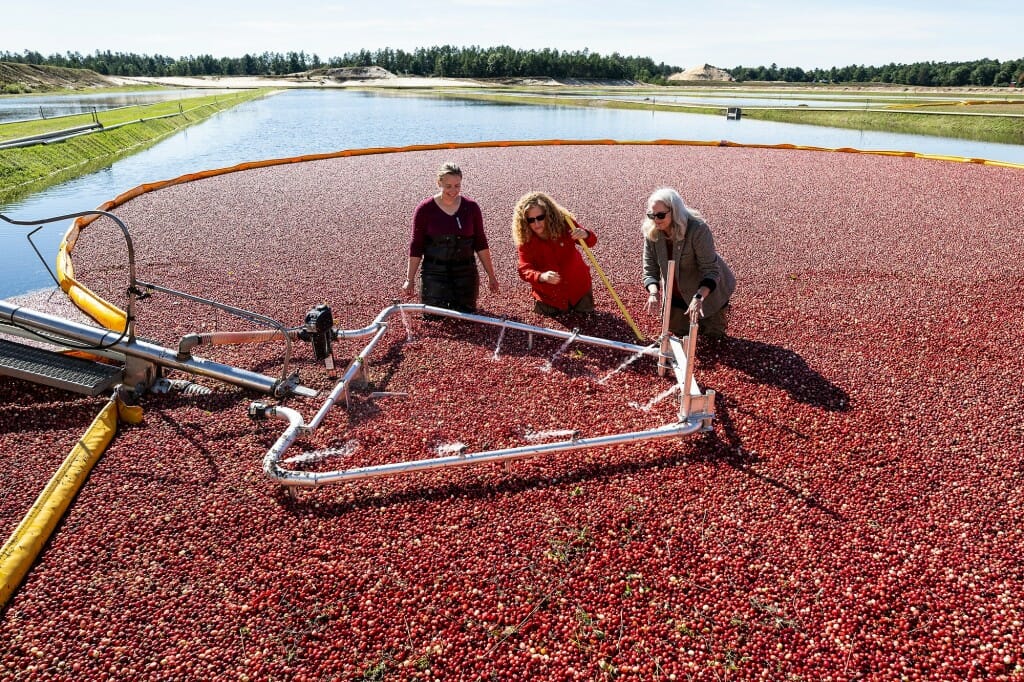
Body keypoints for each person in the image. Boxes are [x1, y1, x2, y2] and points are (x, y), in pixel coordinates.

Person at [402, 162, 500, 313]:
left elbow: (480, 242)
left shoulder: (471, 207)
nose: (453, 191)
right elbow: (416, 246)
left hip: (465, 273)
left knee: (467, 317)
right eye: (448, 186)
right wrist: (410, 279)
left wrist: (491, 276)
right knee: (433, 318)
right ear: (439, 183)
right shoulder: (425, 209)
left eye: (457, 186)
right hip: (434, 273)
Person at [641, 187, 736, 338]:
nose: (656, 220)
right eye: (652, 215)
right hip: (676, 295)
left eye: (660, 215)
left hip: (706, 293)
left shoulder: (697, 230)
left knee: (713, 337)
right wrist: (653, 292)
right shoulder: (652, 232)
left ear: (675, 211)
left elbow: (711, 271)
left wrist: (698, 297)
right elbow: (649, 269)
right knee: (679, 335)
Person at [512, 191, 598, 316]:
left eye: (540, 218)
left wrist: (585, 234)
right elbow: (524, 269)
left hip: (579, 290)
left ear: (549, 215)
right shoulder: (525, 241)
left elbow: (591, 242)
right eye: (531, 220)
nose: (536, 224)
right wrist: (541, 277)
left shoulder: (565, 224)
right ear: (525, 221)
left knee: (588, 324)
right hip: (549, 298)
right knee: (549, 333)